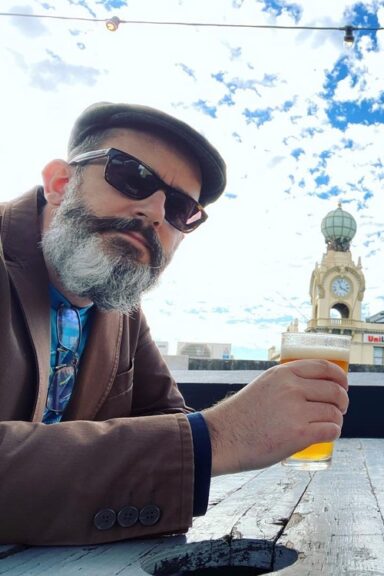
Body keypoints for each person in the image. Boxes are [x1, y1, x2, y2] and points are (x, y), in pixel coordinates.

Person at [0, 102, 349, 545]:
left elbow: (164, 418)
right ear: (60, 183)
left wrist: (250, 424)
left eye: (182, 208)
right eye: (132, 177)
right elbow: (196, 440)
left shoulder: (118, 306)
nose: (156, 212)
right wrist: (222, 436)